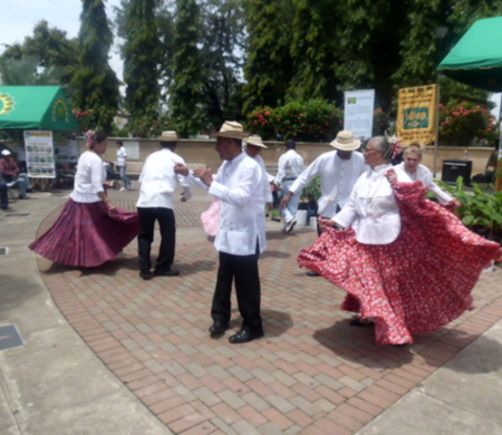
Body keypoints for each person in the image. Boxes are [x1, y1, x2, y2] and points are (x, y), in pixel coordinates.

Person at [298, 136, 501, 345]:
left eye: (368, 150)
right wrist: (336, 222)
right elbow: (352, 206)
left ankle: (392, 327)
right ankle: (370, 314)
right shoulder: (364, 177)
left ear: (378, 154)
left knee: (383, 282)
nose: (364, 153)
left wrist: (421, 197)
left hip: (389, 239)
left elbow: (416, 203)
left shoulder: (397, 176)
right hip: (363, 235)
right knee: (367, 279)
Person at [192, 121, 266, 344]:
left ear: (232, 143)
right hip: (228, 232)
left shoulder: (249, 166)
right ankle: (220, 317)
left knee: (246, 284)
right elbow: (217, 190)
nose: (217, 148)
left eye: (220, 143)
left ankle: (253, 325)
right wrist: (197, 178)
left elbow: (241, 197)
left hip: (245, 234)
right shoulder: (227, 165)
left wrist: (210, 182)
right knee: (223, 279)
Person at [30, 131, 139, 267]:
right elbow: (97, 185)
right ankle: (94, 257)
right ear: (96, 144)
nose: (106, 147)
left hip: (77, 200)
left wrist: (107, 184)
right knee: (100, 230)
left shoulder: (84, 156)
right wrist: (108, 203)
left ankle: (80, 257)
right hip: (91, 202)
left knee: (75, 231)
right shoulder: (96, 160)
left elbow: (85, 179)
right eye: (104, 144)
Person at [281, 130, 366, 236]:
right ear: (337, 148)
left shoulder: (361, 159)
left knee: (347, 243)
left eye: (349, 150)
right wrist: (290, 193)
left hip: (349, 211)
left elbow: (369, 179)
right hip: (327, 209)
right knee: (324, 243)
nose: (347, 153)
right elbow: (305, 176)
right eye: (344, 150)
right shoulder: (325, 159)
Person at [136, 131, 192, 280]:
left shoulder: (150, 157)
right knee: (168, 235)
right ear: (175, 144)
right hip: (164, 202)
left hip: (145, 201)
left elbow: (142, 179)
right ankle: (162, 267)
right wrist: (187, 196)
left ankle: (145, 270)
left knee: (145, 236)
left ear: (161, 143)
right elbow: (185, 181)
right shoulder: (177, 158)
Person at [395, 143, 460, 207]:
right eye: (409, 159)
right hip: (397, 205)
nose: (411, 162)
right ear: (403, 157)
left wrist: (450, 199)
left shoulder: (425, 171)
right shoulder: (395, 170)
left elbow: (433, 187)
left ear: (420, 160)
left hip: (418, 205)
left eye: (415, 160)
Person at [273, 139, 304, 233]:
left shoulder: (284, 156)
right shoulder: (300, 158)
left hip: (288, 182)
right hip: (298, 182)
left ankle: (289, 219)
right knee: (293, 206)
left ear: (285, 147)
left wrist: (276, 182)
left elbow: (281, 171)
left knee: (282, 203)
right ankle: (287, 226)